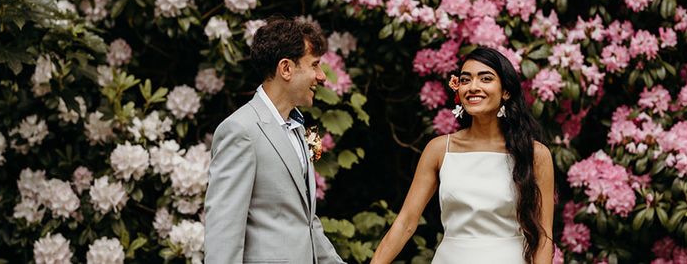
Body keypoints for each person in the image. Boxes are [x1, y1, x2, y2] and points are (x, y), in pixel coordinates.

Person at [371, 47, 555, 264]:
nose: (473, 87)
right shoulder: (439, 149)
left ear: (505, 91)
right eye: (466, 80)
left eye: (485, 79)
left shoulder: (535, 154)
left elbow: (543, 236)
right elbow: (406, 222)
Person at [204, 16, 345, 264]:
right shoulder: (240, 130)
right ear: (286, 68)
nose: (322, 76)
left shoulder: (303, 130)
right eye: (314, 65)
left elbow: (307, 221)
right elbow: (224, 232)